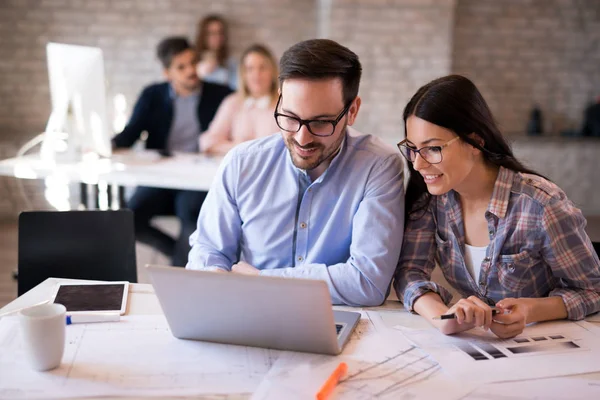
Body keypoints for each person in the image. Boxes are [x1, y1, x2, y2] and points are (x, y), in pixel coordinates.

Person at [187, 39, 405, 307]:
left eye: (321, 122)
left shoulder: (378, 166)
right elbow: (208, 250)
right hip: (248, 309)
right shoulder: (241, 163)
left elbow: (368, 281)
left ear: (352, 111)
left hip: (332, 317)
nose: (302, 138)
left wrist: (263, 282)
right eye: (290, 117)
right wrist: (215, 279)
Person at [393, 75, 600, 338]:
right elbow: (409, 273)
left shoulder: (541, 205)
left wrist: (530, 310)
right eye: (412, 149)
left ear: (476, 142)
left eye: (432, 149)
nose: (418, 165)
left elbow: (593, 290)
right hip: (480, 350)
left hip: (544, 348)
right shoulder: (432, 200)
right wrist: (441, 317)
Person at [112, 37, 232, 267]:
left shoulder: (221, 94)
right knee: (127, 218)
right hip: (162, 176)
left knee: (190, 211)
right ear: (167, 73)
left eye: (193, 63)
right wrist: (107, 145)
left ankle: (181, 265)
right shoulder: (152, 95)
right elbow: (131, 133)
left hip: (198, 178)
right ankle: (179, 257)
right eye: (181, 67)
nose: (191, 71)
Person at [200, 44, 280, 155]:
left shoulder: (283, 105)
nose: (256, 74)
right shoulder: (232, 102)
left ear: (272, 71)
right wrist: (238, 147)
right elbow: (207, 142)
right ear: (243, 74)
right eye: (250, 69)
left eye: (262, 68)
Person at [195, 14, 237, 90]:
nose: (217, 37)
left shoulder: (230, 62)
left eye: (220, 33)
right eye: (212, 33)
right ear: (203, 35)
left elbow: (236, 88)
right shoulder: (193, 60)